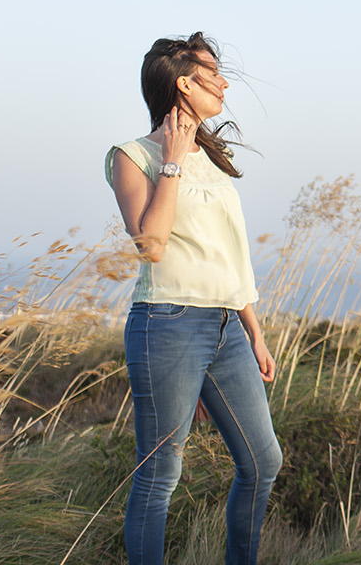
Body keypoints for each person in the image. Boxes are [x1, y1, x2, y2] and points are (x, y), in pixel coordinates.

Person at [105, 32, 282, 565]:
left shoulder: (212, 155)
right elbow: (151, 245)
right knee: (160, 474)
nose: (225, 82)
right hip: (168, 323)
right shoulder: (132, 156)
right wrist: (173, 163)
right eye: (213, 72)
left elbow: (229, 253)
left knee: (262, 461)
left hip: (228, 326)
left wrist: (254, 330)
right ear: (184, 83)